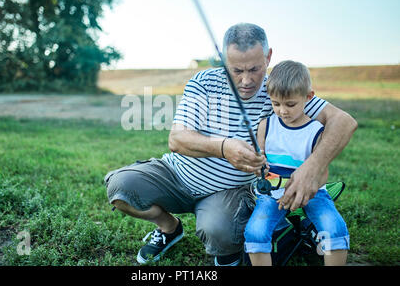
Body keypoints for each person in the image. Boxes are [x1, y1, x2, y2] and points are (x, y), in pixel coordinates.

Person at [104, 23, 357, 266]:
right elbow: (177, 139)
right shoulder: (203, 82)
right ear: (224, 60)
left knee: (218, 231)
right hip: (177, 175)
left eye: (255, 69)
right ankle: (169, 228)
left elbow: (343, 121)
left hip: (227, 192)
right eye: (237, 70)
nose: (246, 80)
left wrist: (313, 167)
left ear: (268, 57)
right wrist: (224, 147)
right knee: (121, 189)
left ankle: (228, 248)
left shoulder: (279, 92)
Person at [243, 60, 350, 266]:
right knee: (255, 231)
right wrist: (259, 166)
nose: (283, 111)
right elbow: (261, 163)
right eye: (276, 104)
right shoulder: (266, 126)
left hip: (311, 194)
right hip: (272, 193)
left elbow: (321, 173)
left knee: (334, 228)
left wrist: (307, 189)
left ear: (308, 97)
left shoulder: (316, 131)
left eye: (290, 104)